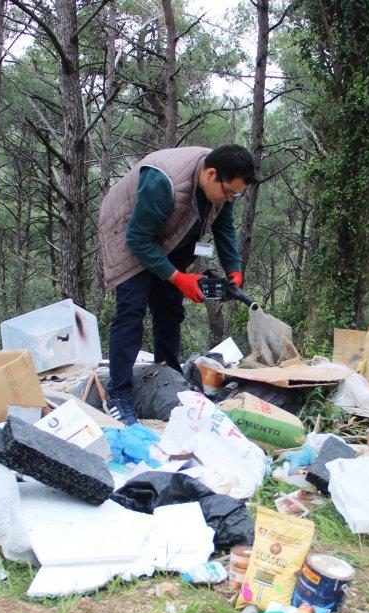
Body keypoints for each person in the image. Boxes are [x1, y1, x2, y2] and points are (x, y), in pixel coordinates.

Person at [98, 144, 256, 425]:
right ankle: (118, 394)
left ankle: (167, 373)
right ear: (211, 174)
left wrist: (234, 269)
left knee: (170, 308)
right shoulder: (163, 182)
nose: (230, 198)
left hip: (173, 236)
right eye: (229, 191)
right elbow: (137, 240)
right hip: (127, 232)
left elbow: (224, 228)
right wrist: (178, 277)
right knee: (131, 312)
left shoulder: (220, 186)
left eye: (236, 194)